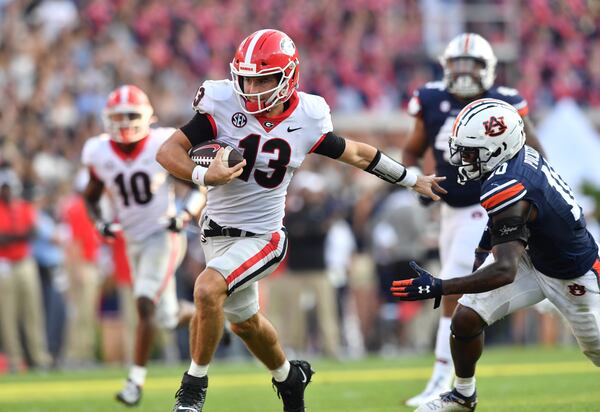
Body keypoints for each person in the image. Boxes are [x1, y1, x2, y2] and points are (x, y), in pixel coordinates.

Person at [156, 29, 445, 412]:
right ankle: (289, 378)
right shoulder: (222, 103)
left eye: (262, 79)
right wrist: (202, 175)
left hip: (264, 237)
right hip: (215, 232)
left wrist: (412, 180)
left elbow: (357, 154)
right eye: (245, 78)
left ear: (288, 77)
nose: (251, 87)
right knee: (245, 323)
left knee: (208, 290)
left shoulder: (308, 117)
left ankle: (192, 390)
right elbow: (168, 150)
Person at [391, 98, 600, 412]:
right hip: (533, 255)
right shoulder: (518, 159)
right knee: (465, 318)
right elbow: (503, 224)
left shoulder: (509, 184)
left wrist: (440, 285)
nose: (462, 158)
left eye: (471, 151)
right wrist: (481, 250)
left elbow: (504, 271)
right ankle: (463, 396)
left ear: (499, 148)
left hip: (573, 273)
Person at [401, 32, 545, 406]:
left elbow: (535, 152)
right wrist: (416, 180)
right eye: (457, 64)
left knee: (452, 286)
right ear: (446, 67)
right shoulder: (431, 98)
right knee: (457, 283)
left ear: (488, 69)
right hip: (451, 209)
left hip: (488, 204)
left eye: (472, 65)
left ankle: (440, 380)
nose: (464, 72)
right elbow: (412, 149)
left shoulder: (506, 101)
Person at [81, 85, 204, 406]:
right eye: (117, 116)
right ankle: (208, 313)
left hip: (163, 235)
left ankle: (135, 381)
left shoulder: (160, 144)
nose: (123, 122)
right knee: (164, 316)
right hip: (133, 240)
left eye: (130, 115)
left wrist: (184, 214)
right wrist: (99, 222)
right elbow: (91, 197)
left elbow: (197, 187)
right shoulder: (98, 151)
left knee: (144, 302)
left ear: (148, 117)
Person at [0, 167, 52, 372]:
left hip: (24, 261)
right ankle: (15, 360)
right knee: (8, 314)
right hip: (4, 265)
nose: (7, 191)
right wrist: (16, 236)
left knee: (33, 311)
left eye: (9, 187)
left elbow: (32, 232)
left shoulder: (23, 207)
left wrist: (11, 237)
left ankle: (39, 358)